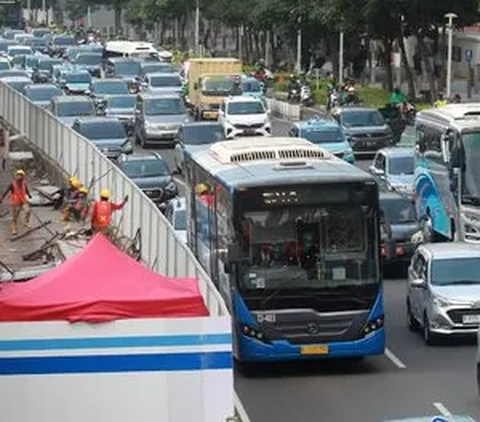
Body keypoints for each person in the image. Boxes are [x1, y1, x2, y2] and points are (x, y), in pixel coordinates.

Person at [0, 169, 32, 235]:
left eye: (21, 175)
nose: (19, 177)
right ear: (16, 176)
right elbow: (6, 192)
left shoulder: (24, 183)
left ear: (23, 177)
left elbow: (26, 190)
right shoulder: (12, 184)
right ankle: (14, 228)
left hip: (23, 201)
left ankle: (26, 222)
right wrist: (1, 198)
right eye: (18, 175)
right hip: (15, 202)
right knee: (15, 217)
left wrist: (29, 195)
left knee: (28, 211)